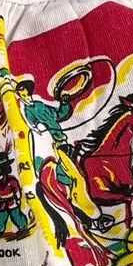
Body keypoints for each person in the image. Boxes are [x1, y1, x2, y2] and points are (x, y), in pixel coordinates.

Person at [15, 78, 113, 232]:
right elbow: (33, 129)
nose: (25, 96)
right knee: (75, 179)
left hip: (62, 144)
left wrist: (64, 103)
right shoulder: (25, 111)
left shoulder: (39, 105)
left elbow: (59, 114)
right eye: (21, 94)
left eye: (26, 93)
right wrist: (43, 131)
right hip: (51, 150)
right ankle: (93, 219)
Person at [0, 152, 28, 237]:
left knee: (16, 216)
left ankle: (23, 227)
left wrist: (18, 199)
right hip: (2, 205)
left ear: (4, 170)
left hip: (12, 204)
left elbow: (17, 191)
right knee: (0, 218)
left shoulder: (12, 180)